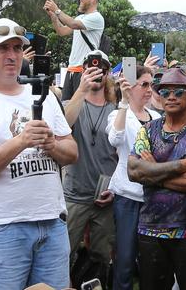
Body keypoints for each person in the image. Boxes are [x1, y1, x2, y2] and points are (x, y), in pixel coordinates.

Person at [0, 18, 78, 290]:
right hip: (2, 228)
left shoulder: (44, 95)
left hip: (52, 223)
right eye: (3, 48)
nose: (12, 55)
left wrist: (51, 144)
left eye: (17, 48)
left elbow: (72, 152)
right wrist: (21, 141)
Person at [127, 68, 186, 290]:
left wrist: (153, 171)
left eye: (179, 92)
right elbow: (134, 171)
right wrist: (179, 166)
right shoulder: (148, 129)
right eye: (165, 92)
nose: (171, 96)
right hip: (150, 228)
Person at [63, 50, 117, 283]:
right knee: (63, 254)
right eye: (90, 68)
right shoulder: (72, 103)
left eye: (101, 69)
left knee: (101, 258)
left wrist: (114, 188)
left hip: (106, 197)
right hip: (75, 195)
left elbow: (122, 155)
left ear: (107, 74)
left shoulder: (116, 110)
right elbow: (62, 126)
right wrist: (81, 89)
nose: (96, 73)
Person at [107, 65, 161, 290]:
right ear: (131, 86)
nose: (149, 90)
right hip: (128, 196)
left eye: (151, 85)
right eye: (144, 84)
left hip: (153, 196)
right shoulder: (119, 114)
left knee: (152, 260)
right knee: (126, 258)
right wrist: (123, 101)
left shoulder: (157, 117)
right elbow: (115, 139)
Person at [44, 0, 105, 101]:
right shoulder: (81, 17)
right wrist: (53, 17)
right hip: (71, 69)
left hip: (85, 70)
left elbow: (73, 24)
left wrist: (57, 10)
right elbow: (62, 31)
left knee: (81, 108)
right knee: (67, 108)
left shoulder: (97, 17)